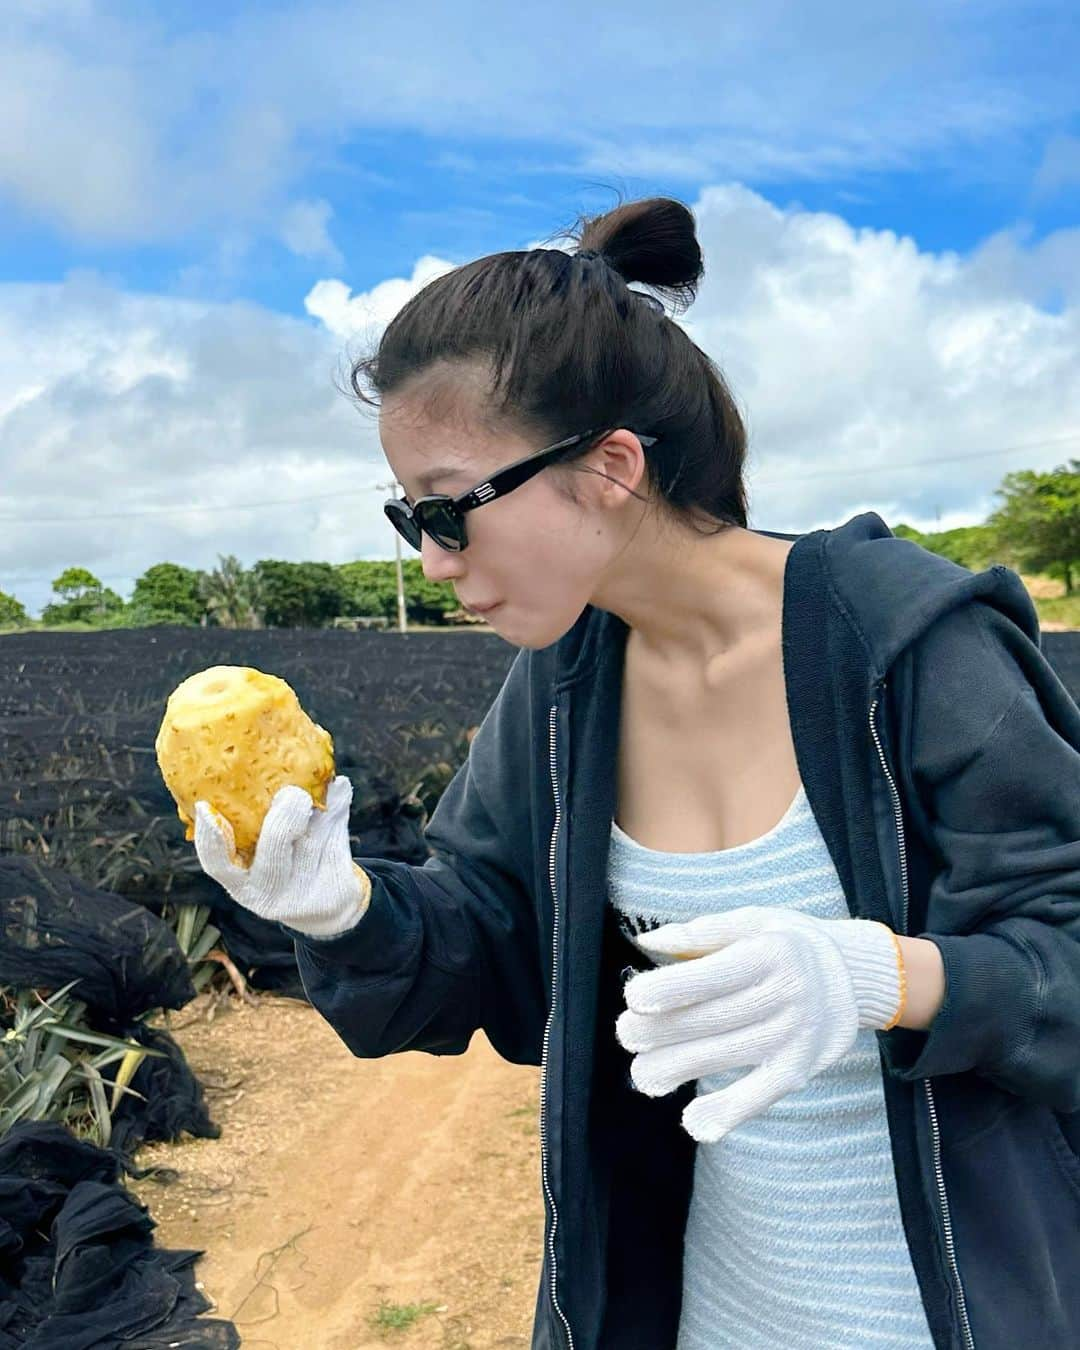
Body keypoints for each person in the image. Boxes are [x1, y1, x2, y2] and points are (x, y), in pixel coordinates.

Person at [192, 197, 1080, 1350]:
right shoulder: (569, 681)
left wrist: (888, 978)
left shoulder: (906, 643)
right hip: (713, 1313)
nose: (430, 556)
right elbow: (493, 937)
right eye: (406, 515)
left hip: (964, 1311)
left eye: (450, 510)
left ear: (611, 467)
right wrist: (348, 908)